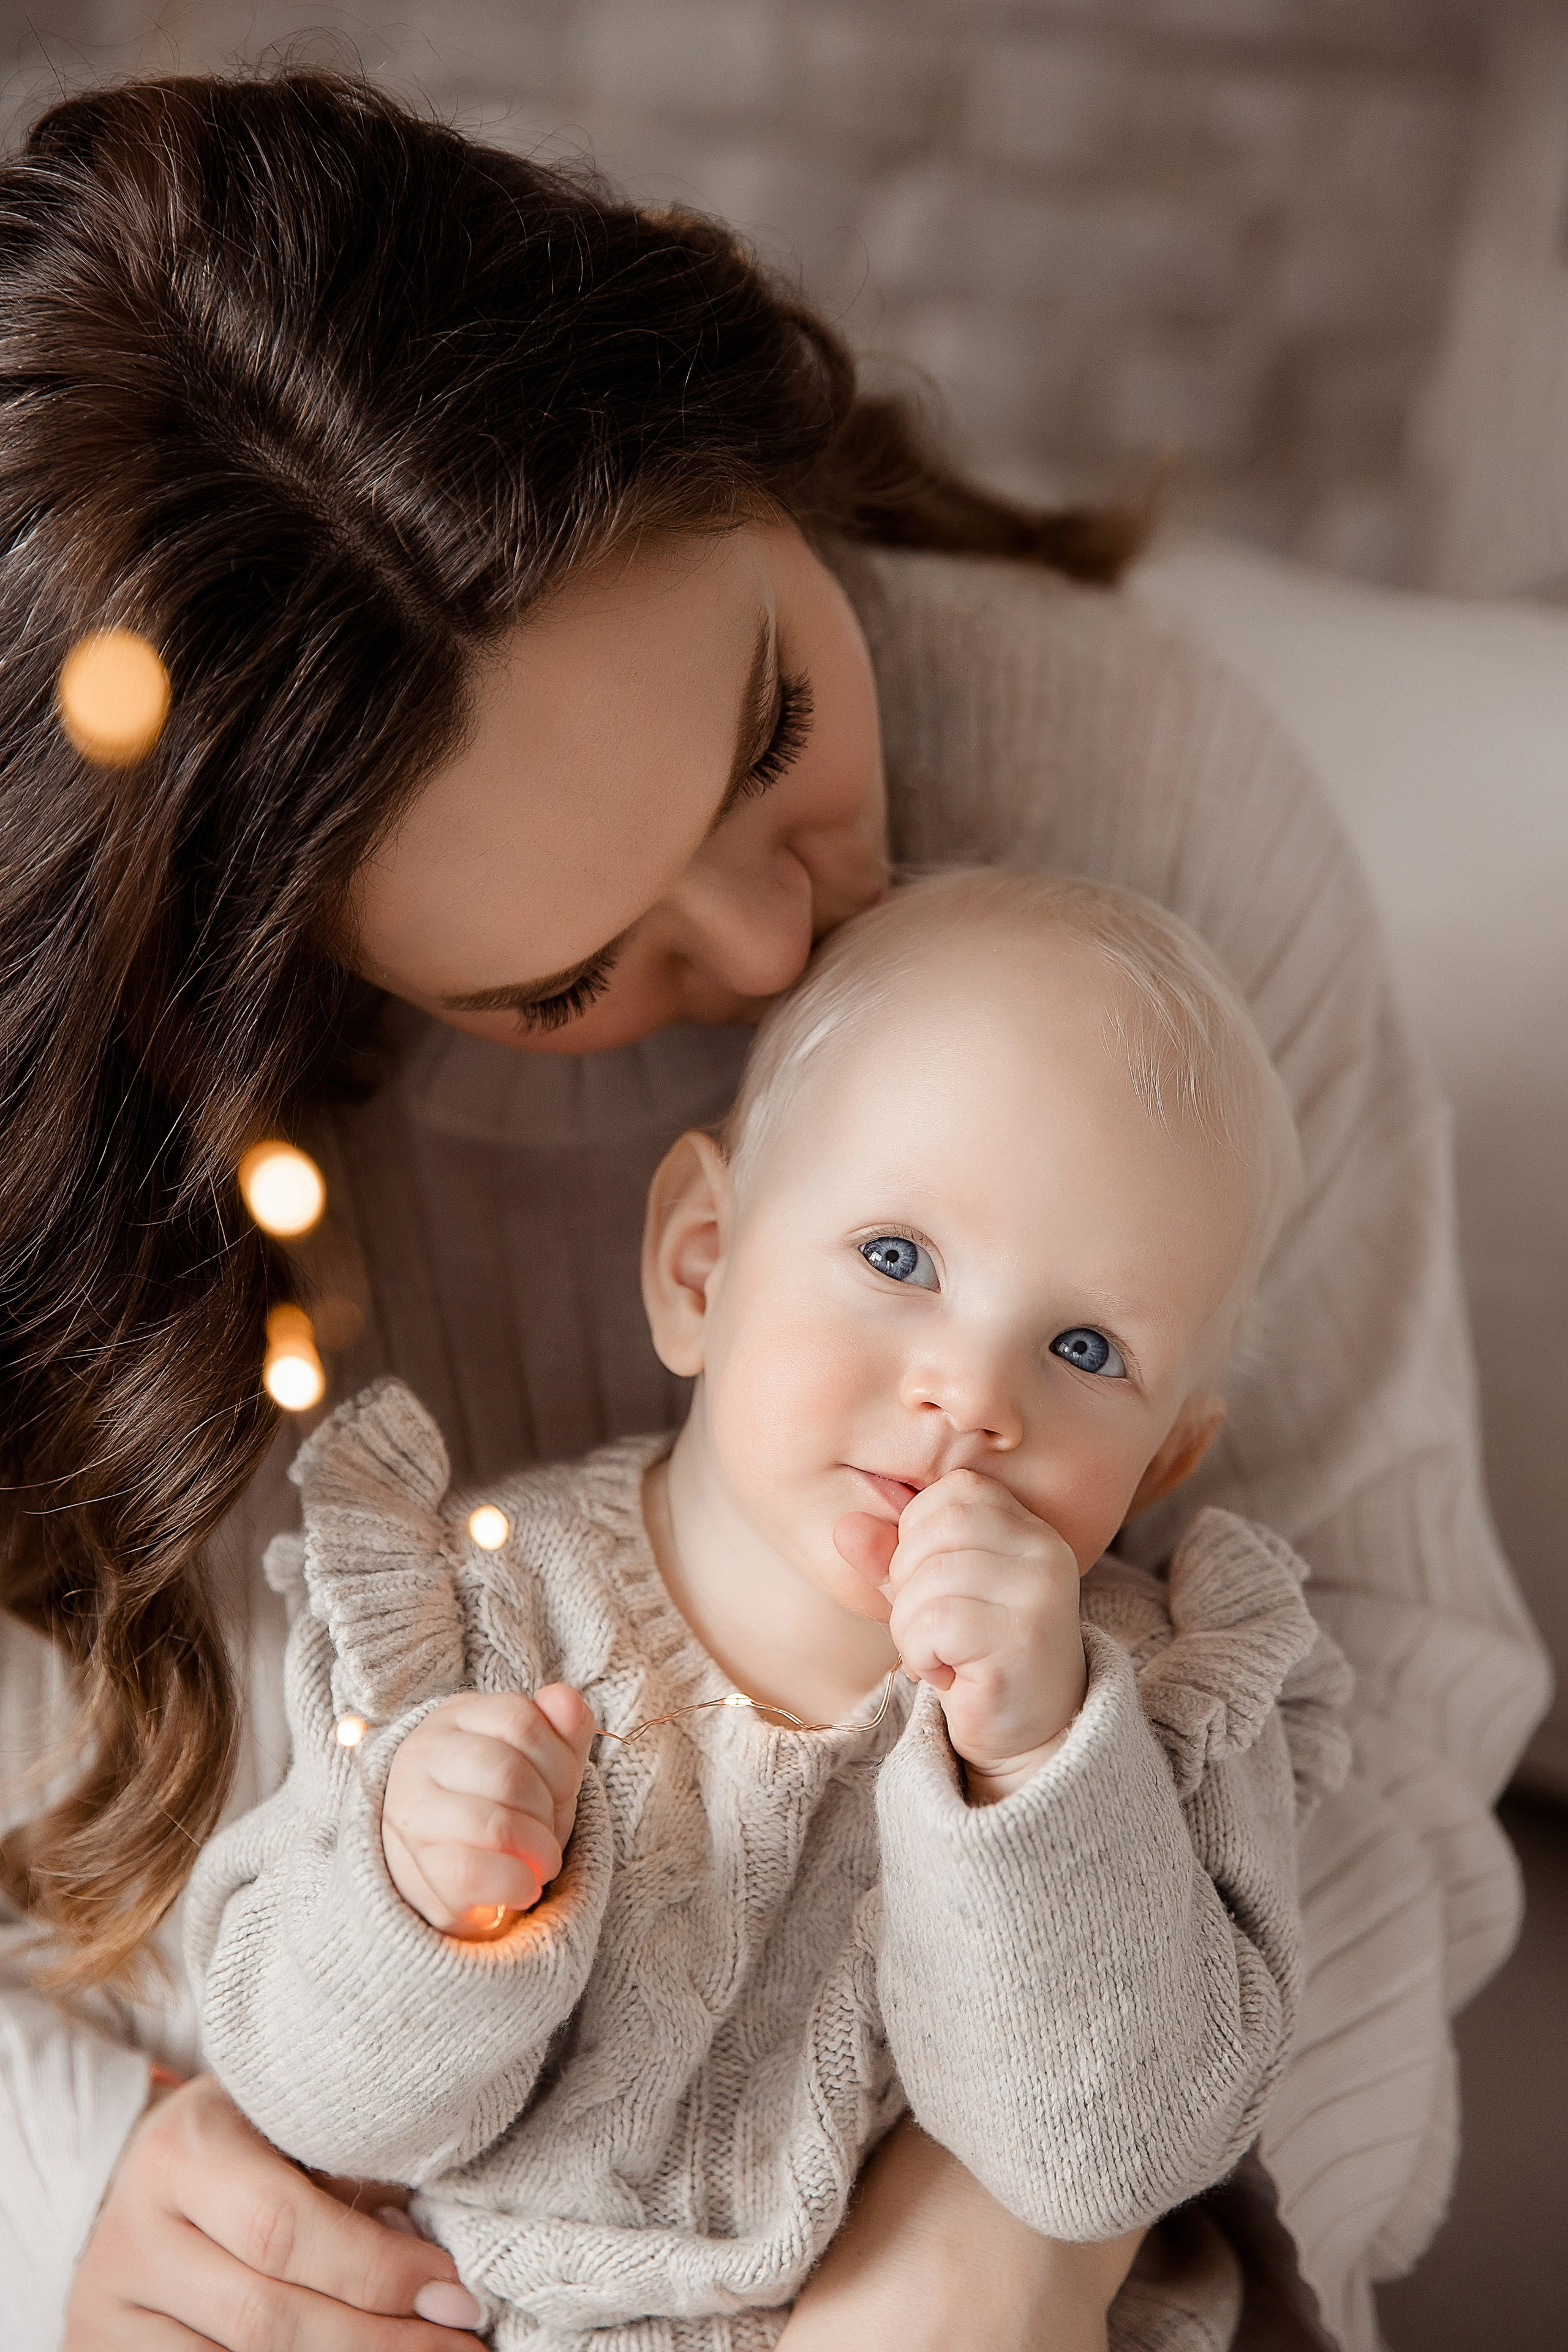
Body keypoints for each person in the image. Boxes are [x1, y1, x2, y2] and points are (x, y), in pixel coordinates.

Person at [0, 63, 1547, 2352]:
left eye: (766, 733)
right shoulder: (421, 1543)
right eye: (563, 979)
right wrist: (65, 2186)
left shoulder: (1142, 806)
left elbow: (1386, 1697)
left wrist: (1007, 2259)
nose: (770, 953)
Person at [186, 870, 1354, 2352]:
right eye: (897, 1260)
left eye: (1080, 1346)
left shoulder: (1151, 1718)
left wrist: (1032, 1770)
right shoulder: (482, 1614)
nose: (971, 1397)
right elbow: (301, 2092)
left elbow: (1101, 2159)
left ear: (1163, 1458)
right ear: (699, 1264)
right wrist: (420, 1906)